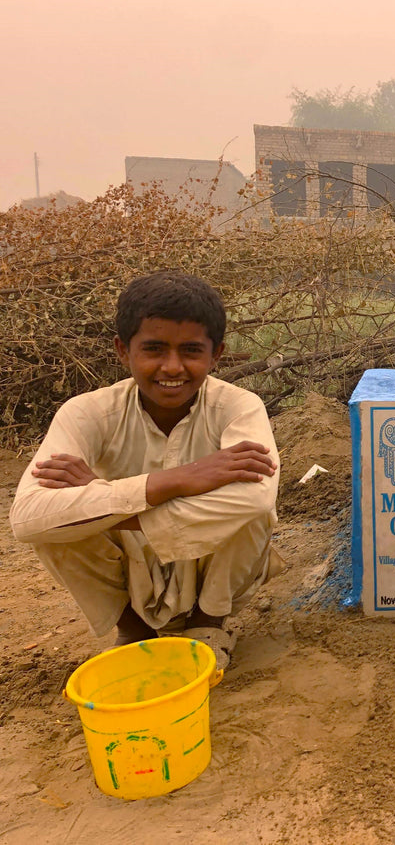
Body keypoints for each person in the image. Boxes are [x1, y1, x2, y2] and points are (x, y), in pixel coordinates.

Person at [9, 271, 283, 669]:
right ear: (123, 351)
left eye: (191, 351)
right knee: (53, 526)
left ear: (216, 354)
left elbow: (256, 499)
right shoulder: (87, 413)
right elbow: (26, 519)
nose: (172, 367)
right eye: (154, 349)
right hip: (131, 567)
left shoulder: (238, 407)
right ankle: (133, 629)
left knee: (253, 514)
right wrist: (172, 481)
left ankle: (209, 624)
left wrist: (106, 501)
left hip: (211, 565)